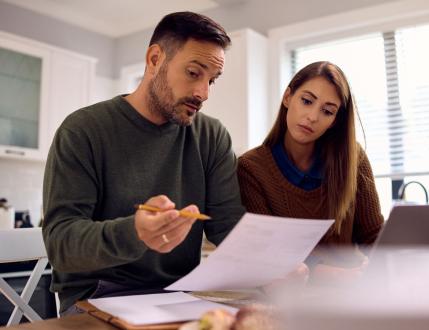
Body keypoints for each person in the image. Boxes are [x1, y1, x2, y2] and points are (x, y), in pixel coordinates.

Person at [42, 12, 245, 315]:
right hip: (96, 298)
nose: (203, 92)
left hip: (179, 298)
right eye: (193, 73)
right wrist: (134, 233)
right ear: (154, 59)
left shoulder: (211, 136)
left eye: (211, 80)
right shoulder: (83, 130)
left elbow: (229, 227)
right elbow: (61, 246)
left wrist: (277, 265)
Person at [237, 61, 384, 280]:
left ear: (334, 121)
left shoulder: (354, 158)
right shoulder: (251, 168)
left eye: (327, 111)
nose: (313, 117)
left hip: (356, 290)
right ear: (287, 97)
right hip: (293, 296)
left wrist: (386, 266)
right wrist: (327, 274)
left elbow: (373, 236)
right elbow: (266, 255)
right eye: (307, 101)